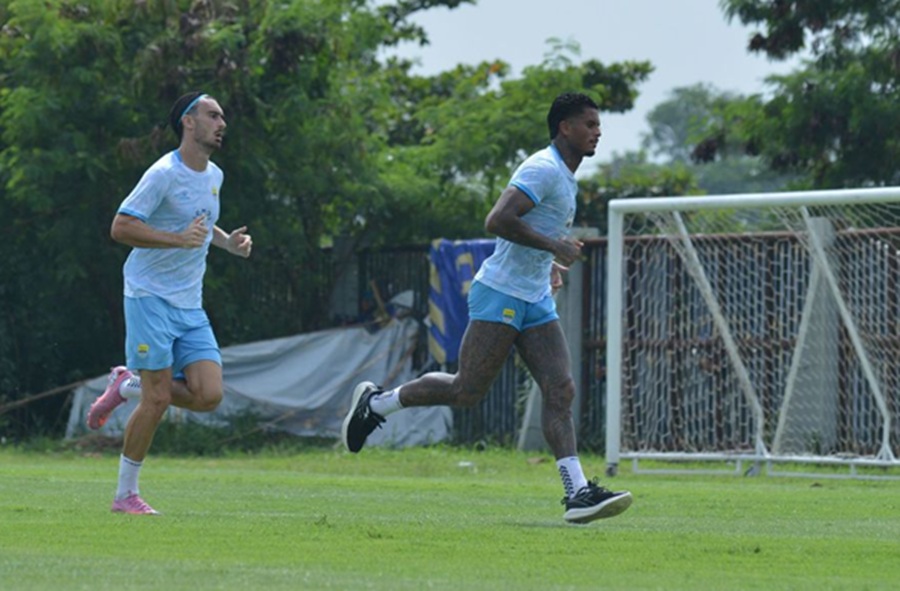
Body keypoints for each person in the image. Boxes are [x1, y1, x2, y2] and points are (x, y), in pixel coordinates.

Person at [341, 92, 632, 524]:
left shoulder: (565, 176)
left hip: (533, 296)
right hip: (501, 293)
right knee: (467, 390)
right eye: (589, 124)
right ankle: (378, 404)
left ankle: (578, 493)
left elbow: (524, 230)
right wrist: (555, 246)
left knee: (561, 389)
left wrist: (547, 261)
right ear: (565, 128)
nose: (598, 132)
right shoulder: (543, 167)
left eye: (598, 125)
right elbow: (497, 220)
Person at [86, 91, 252, 515]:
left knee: (209, 395)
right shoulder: (162, 173)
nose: (222, 123)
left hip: (189, 304)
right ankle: (125, 496)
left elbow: (202, 222)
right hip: (148, 296)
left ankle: (126, 383)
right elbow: (121, 227)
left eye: (223, 117)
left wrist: (228, 242)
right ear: (188, 122)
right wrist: (177, 240)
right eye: (213, 115)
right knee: (157, 399)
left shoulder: (215, 175)